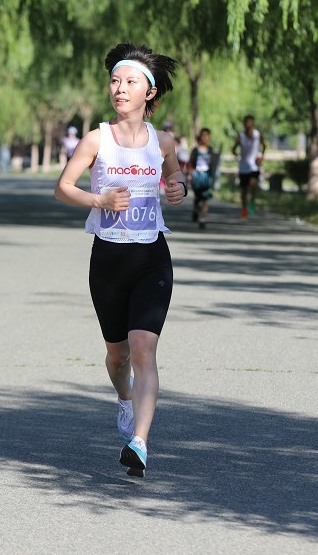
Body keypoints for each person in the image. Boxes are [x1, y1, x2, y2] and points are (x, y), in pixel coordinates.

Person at [54, 43, 184, 477]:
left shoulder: (163, 141)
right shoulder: (97, 139)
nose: (120, 89)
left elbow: (174, 172)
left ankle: (140, 442)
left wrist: (178, 187)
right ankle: (125, 399)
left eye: (129, 82)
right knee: (118, 356)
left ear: (150, 92)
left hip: (151, 257)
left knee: (144, 348)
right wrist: (100, 199)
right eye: (115, 81)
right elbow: (63, 188)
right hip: (108, 260)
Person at [231, 114, 266, 218]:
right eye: (246, 122)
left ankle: (252, 202)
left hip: (254, 166)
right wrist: (238, 156)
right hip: (244, 166)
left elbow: (264, 145)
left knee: (254, 185)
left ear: (253, 123)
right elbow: (233, 149)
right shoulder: (241, 136)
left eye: (250, 122)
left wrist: (261, 156)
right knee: (244, 190)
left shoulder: (257, 134)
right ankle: (244, 208)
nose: (248, 124)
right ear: (244, 124)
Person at [188, 128, 217, 229]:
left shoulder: (210, 150)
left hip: (206, 176)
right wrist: (189, 175)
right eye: (203, 135)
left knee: (205, 198)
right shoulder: (196, 150)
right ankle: (196, 210)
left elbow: (213, 163)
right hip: (197, 176)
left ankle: (203, 219)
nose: (205, 137)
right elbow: (190, 163)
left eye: (207, 135)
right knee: (198, 197)